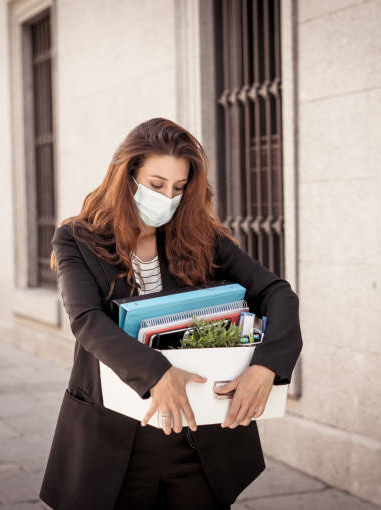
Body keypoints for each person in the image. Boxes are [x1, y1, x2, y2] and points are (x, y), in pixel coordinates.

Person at [38, 117, 303, 510]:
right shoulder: (78, 238)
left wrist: (267, 366)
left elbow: (276, 292)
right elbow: (85, 320)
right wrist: (156, 372)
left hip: (200, 444)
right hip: (115, 444)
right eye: (156, 185)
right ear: (126, 176)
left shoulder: (202, 239)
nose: (168, 198)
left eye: (179, 188)